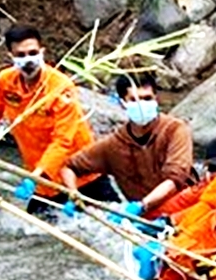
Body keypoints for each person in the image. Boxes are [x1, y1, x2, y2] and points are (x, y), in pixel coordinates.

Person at [0, 25, 114, 217]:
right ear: (10, 56)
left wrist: (37, 177)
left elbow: (63, 141)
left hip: (80, 176)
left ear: (42, 52)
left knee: (117, 226)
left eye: (33, 53)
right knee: (37, 230)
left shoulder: (60, 88)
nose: (28, 60)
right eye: (21, 55)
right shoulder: (6, 82)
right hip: (42, 182)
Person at [60, 72, 194, 218]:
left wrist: (141, 205)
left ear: (156, 99)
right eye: (134, 100)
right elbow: (69, 167)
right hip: (144, 219)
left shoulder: (175, 130)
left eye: (147, 98)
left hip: (185, 211)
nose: (142, 105)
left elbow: (175, 179)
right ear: (122, 102)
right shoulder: (114, 145)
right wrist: (73, 195)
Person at [151, 133, 216, 219]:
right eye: (213, 168)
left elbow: (207, 211)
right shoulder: (204, 186)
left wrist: (171, 220)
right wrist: (148, 214)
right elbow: (179, 202)